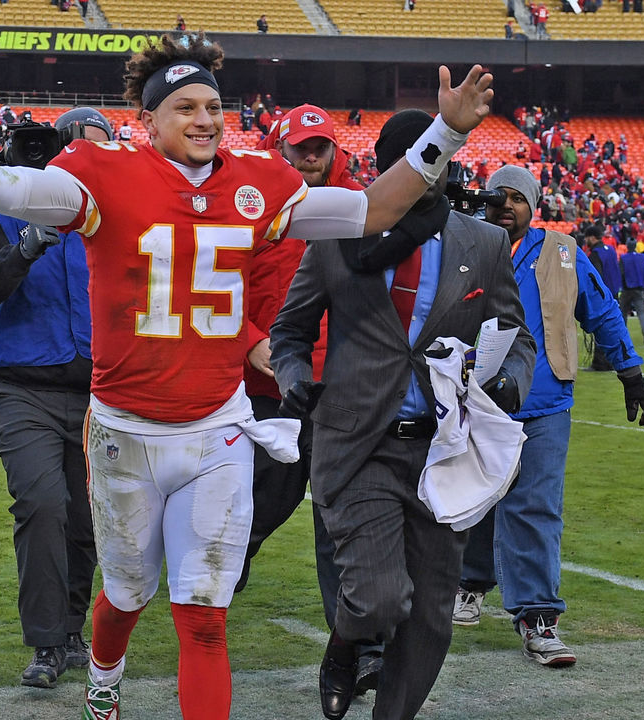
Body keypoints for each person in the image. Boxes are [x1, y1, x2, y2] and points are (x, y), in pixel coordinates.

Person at [0, 31, 493, 720]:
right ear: (147, 120)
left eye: (213, 107)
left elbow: (373, 210)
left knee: (203, 617)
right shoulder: (103, 171)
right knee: (126, 596)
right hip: (125, 429)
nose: (205, 120)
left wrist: (447, 132)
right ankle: (104, 674)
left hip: (216, 429)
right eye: (186, 108)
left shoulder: (258, 180)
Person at [269, 110, 534, 720]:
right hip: (357, 443)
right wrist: (293, 377)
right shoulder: (337, 231)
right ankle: (346, 642)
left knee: (432, 615)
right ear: (388, 165)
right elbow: (291, 331)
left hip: (443, 449)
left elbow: (515, 334)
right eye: (413, 159)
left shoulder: (484, 242)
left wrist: (509, 380)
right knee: (379, 599)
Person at [452, 161, 644, 672]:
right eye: (498, 196)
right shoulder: (464, 242)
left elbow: (602, 310)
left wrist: (630, 372)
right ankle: (470, 582)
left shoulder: (563, 252)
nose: (506, 205)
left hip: (543, 402)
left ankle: (539, 616)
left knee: (536, 506)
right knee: (471, 500)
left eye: (517, 198)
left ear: (534, 206)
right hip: (475, 398)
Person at [232, 103, 385, 693]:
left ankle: (360, 645)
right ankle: (222, 573)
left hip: (341, 390)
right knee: (257, 504)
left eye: (321, 145)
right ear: (281, 148)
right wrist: (250, 341)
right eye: (302, 146)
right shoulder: (249, 205)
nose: (312, 155)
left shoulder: (359, 207)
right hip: (267, 389)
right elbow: (216, 287)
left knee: (341, 518)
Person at [0, 107, 111, 690]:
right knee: (43, 504)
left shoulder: (112, 220)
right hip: (22, 389)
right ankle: (48, 642)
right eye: (83, 147)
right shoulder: (5, 209)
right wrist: (24, 248)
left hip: (98, 392)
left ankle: (72, 630)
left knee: (86, 519)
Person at [581, 226, 619, 370]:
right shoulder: (611, 250)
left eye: (587, 238)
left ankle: (599, 362)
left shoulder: (595, 254)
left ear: (592, 237)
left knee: (600, 329)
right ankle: (611, 361)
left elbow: (595, 277)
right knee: (611, 329)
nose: (586, 241)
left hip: (601, 295)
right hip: (613, 293)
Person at [619, 238, 644, 345]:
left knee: (623, 312)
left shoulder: (623, 258)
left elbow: (621, 273)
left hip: (627, 289)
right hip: (639, 288)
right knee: (641, 313)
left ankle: (623, 335)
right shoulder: (642, 257)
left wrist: (623, 286)